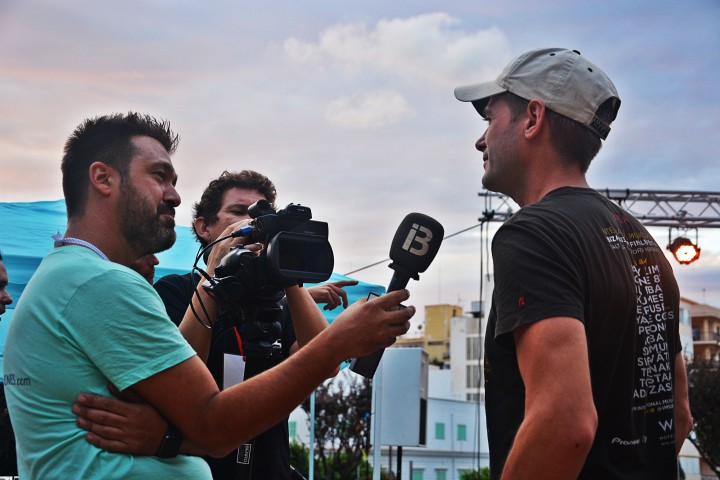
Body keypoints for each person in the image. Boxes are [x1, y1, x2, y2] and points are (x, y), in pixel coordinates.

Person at [2, 112, 414, 479]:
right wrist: (338, 341)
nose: (174, 195)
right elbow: (212, 425)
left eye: (174, 181)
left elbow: (185, 420)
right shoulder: (102, 284)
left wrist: (283, 266)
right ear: (103, 178)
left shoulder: (74, 276)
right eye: (159, 176)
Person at [454, 48, 693, 479]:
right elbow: (678, 418)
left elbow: (566, 425)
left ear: (532, 118)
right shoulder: (645, 243)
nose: (480, 139)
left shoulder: (533, 235)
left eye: (490, 118)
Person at [79, 170, 359, 479]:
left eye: (261, 218)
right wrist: (215, 276)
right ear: (204, 227)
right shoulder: (176, 292)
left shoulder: (279, 300)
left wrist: (287, 271)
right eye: (239, 212)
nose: (251, 225)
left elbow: (325, 361)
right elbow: (176, 378)